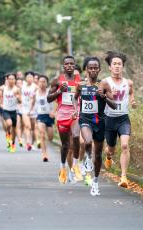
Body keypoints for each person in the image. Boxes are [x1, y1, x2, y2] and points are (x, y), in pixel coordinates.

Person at [73, 56, 116, 195]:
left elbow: (114, 105)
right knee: (87, 141)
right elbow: (75, 97)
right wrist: (75, 110)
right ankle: (86, 158)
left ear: (99, 69)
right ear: (86, 69)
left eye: (95, 68)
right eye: (90, 68)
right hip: (85, 119)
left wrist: (103, 97)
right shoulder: (80, 84)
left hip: (100, 122)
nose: (93, 70)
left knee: (97, 156)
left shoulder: (103, 84)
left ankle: (95, 182)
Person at [104, 51, 137, 188]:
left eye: (119, 64)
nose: (117, 66)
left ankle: (123, 177)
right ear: (110, 67)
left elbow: (131, 94)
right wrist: (110, 94)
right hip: (109, 119)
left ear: (122, 66)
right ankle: (109, 157)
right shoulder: (105, 82)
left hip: (123, 119)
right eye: (114, 64)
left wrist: (133, 101)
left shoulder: (128, 82)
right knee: (110, 149)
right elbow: (100, 97)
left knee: (124, 146)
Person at [47, 56, 82, 184]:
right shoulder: (57, 81)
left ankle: (76, 165)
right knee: (66, 145)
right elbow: (48, 98)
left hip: (75, 114)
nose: (69, 66)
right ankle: (62, 167)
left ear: (74, 65)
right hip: (62, 115)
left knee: (77, 136)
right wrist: (58, 92)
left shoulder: (80, 81)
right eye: (66, 64)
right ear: (63, 66)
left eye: (71, 64)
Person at [0, 73, 21, 153]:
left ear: (15, 80)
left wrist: (17, 97)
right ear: (7, 80)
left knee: (14, 130)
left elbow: (20, 101)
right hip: (6, 110)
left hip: (14, 111)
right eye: (9, 79)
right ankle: (8, 134)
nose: (11, 80)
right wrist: (0, 104)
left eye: (13, 79)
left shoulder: (17, 89)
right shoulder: (2, 88)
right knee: (9, 124)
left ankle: (12, 144)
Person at [36, 75, 55, 161]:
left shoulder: (50, 92)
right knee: (42, 134)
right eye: (40, 81)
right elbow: (32, 103)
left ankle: (46, 144)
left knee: (50, 137)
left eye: (44, 81)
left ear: (47, 83)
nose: (42, 83)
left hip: (49, 116)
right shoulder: (35, 92)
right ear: (38, 82)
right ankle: (44, 153)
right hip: (40, 115)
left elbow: (56, 103)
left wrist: (53, 111)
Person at [21, 71, 37, 151]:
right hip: (24, 109)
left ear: (33, 78)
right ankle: (28, 143)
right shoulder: (22, 86)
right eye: (28, 77)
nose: (29, 79)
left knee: (33, 129)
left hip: (34, 110)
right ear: (25, 78)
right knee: (27, 126)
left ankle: (33, 143)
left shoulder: (35, 87)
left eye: (31, 77)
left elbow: (35, 99)